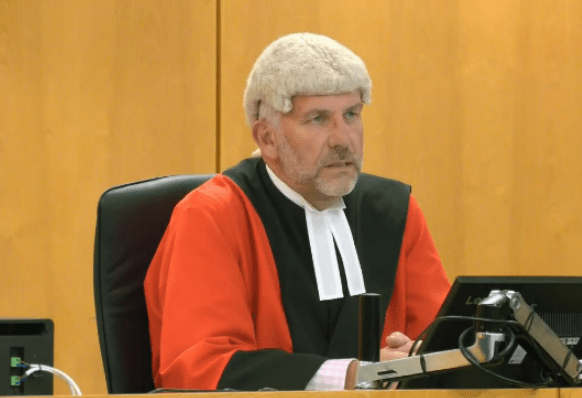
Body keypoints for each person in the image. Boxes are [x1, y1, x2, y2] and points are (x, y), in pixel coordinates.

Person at [144, 32, 450, 391]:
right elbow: (200, 368)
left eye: (351, 114)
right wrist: (353, 376)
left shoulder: (396, 210)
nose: (342, 139)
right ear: (267, 138)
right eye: (318, 119)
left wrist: (428, 356)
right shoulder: (212, 215)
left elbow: (445, 342)